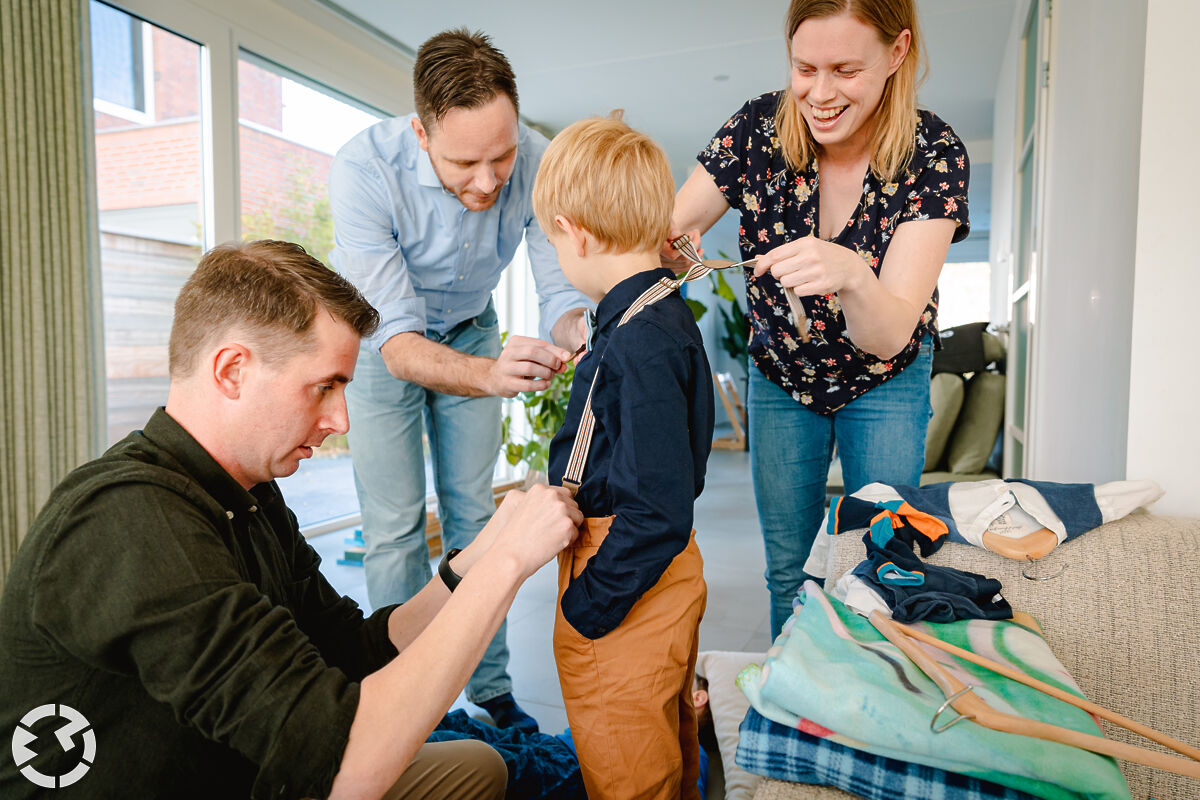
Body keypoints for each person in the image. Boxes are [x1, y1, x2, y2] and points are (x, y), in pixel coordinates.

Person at [0, 240, 583, 800]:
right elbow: (350, 767)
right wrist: (507, 568)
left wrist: (475, 561)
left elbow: (351, 652)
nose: (341, 420)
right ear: (232, 371)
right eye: (324, 387)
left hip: (243, 773)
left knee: (477, 767)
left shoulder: (247, 492)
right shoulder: (130, 521)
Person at [670, 0, 970, 639]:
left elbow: (887, 333)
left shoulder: (934, 154)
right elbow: (674, 228)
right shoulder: (755, 130)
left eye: (844, 69)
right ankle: (800, 713)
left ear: (897, 53)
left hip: (886, 378)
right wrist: (667, 242)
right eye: (805, 68)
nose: (820, 93)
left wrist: (854, 274)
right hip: (780, 376)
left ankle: (868, 708)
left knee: (881, 563)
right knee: (789, 571)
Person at [329, 28, 591, 732]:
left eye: (500, 157)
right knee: (394, 530)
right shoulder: (363, 169)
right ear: (421, 131)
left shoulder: (535, 161)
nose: (487, 180)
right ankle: (406, 689)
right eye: (464, 162)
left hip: (472, 326)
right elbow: (399, 344)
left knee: (475, 518)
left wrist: (584, 331)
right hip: (385, 343)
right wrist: (488, 373)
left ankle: (493, 686)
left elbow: (559, 290)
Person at [534, 114, 715, 800]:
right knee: (660, 736)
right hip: (652, 571)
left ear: (572, 230)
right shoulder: (654, 315)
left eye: (553, 240)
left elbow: (656, 507)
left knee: (626, 765)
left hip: (624, 577)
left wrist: (587, 608)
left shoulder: (638, 341)